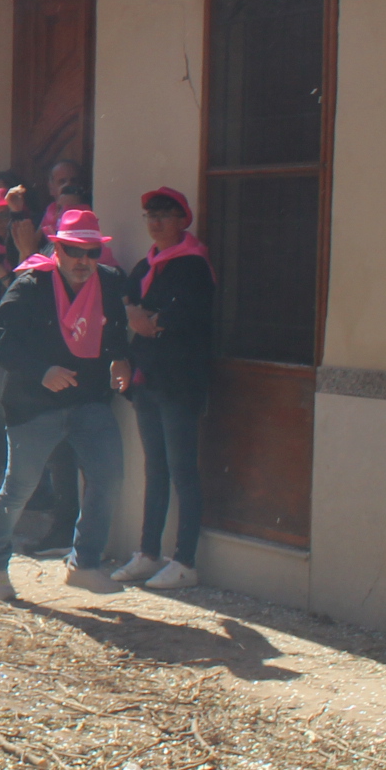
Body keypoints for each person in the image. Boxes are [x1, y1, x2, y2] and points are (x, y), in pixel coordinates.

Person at [0, 208, 132, 601]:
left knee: (108, 477)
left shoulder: (110, 282)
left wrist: (122, 358)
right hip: (34, 404)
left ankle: (84, 564)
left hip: (89, 400)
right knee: (20, 487)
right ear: (56, 249)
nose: (83, 261)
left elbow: (113, 328)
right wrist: (41, 371)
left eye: (91, 252)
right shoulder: (30, 284)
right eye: (73, 250)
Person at [113, 188, 212, 590]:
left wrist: (149, 321)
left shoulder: (194, 266)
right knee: (155, 469)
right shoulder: (144, 266)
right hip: (147, 380)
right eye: (150, 215)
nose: (156, 222)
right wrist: (136, 324)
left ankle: (185, 560)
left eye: (165, 215)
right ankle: (148, 552)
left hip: (179, 381)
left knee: (183, 471)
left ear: (182, 220)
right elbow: (129, 311)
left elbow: (186, 317)